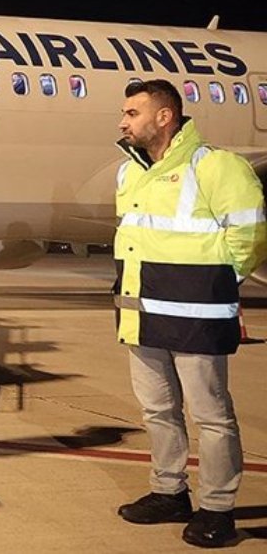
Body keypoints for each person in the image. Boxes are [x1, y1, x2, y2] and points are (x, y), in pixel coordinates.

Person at [112, 79, 267, 548]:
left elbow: (250, 235)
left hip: (197, 315)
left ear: (164, 117)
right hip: (142, 313)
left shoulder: (216, 166)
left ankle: (217, 508)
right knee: (158, 410)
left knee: (211, 416)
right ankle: (169, 492)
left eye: (132, 113)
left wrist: (216, 282)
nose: (123, 122)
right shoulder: (130, 172)